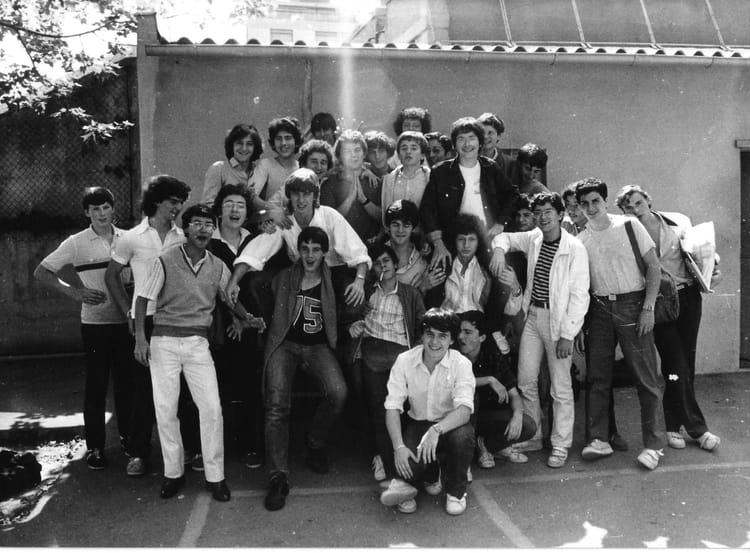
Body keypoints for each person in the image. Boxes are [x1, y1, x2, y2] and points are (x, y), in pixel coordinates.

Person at [134, 204, 260, 502]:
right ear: (186, 228)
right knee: (166, 410)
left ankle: (215, 477)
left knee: (212, 408)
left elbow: (229, 297)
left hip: (197, 343)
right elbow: (142, 299)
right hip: (164, 341)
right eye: (197, 224)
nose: (203, 230)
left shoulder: (217, 265)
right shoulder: (165, 260)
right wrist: (140, 338)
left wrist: (247, 317)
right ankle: (173, 473)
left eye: (208, 225)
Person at [105, 175, 200, 477]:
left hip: (174, 318)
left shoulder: (182, 237)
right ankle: (139, 453)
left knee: (181, 388)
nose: (177, 207)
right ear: (157, 201)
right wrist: (128, 313)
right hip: (144, 319)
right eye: (173, 201)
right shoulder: (132, 238)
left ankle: (188, 449)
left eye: (181, 203)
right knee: (143, 390)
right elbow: (111, 276)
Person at [615, 185, 721, 452]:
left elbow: (697, 249)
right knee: (676, 365)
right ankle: (698, 429)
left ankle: (673, 425)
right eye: (628, 207)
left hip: (688, 297)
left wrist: (713, 267)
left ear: (648, 200)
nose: (635, 210)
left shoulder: (677, 220)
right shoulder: (627, 234)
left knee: (686, 364)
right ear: (623, 211)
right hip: (659, 302)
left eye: (638, 203)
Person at [34, 186, 133, 471]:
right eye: (95, 209)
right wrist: (75, 292)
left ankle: (129, 440)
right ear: (87, 213)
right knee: (96, 386)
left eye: (106, 207)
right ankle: (96, 448)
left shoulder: (129, 238)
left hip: (126, 322)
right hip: (95, 324)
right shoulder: (76, 243)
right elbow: (42, 272)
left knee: (127, 385)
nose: (102, 214)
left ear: (113, 208)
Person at [489, 192, 590, 468]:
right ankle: (533, 435)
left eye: (548, 212)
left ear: (560, 214)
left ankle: (560, 444)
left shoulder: (574, 248)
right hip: (533, 316)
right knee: (525, 379)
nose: (543, 218)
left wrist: (568, 334)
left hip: (558, 323)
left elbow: (580, 295)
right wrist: (498, 251)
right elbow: (505, 238)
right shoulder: (534, 237)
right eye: (538, 213)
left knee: (560, 386)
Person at [574, 177, 667, 470]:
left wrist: (648, 308)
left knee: (646, 378)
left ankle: (654, 445)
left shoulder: (629, 225)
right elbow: (582, 287)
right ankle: (598, 439)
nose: (591, 208)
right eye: (584, 203)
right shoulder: (581, 240)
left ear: (605, 201)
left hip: (633, 305)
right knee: (598, 377)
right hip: (599, 309)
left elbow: (653, 267)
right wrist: (580, 325)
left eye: (595, 201)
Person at [257, 226, 348, 511]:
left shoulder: (333, 280)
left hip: (317, 346)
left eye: (316, 250)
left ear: (325, 253)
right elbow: (264, 301)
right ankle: (278, 476)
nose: (310, 255)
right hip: (284, 344)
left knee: (338, 393)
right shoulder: (284, 277)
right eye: (305, 249)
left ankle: (315, 442)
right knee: (276, 405)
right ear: (298, 251)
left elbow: (347, 310)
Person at [226, 168, 370, 324]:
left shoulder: (330, 216)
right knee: (256, 282)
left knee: (354, 302)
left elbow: (358, 253)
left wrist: (359, 281)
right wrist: (233, 282)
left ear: (315, 195)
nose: (301, 200)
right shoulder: (285, 220)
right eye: (296, 194)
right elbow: (255, 252)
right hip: (300, 276)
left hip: (332, 274)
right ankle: (274, 327)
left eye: (306, 194)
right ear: (289, 195)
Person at [380, 308, 475, 516]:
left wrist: (436, 430)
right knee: (407, 467)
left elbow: (464, 411)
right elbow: (392, 406)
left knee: (463, 437)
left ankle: (456, 492)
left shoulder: (461, 363)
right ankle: (429, 474)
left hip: (451, 425)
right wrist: (399, 447)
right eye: (429, 334)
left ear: (452, 340)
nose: (434, 342)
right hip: (419, 424)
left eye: (442, 336)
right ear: (422, 336)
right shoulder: (404, 360)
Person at [348, 243, 425, 483]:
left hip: (402, 355)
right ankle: (384, 459)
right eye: (378, 263)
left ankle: (401, 460)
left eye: (386, 261)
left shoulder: (410, 293)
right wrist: (353, 326)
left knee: (403, 410)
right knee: (380, 411)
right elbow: (348, 319)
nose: (383, 266)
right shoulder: (368, 293)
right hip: (373, 352)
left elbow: (422, 326)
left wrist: (417, 354)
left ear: (395, 264)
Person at [207, 185, 265, 469]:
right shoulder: (209, 241)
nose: (234, 209)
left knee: (249, 385)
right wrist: (234, 316)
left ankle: (250, 445)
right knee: (217, 387)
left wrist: (245, 318)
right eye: (229, 203)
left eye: (240, 205)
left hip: (250, 324)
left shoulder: (256, 240)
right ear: (219, 210)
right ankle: (217, 448)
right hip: (218, 325)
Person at [419, 117, 518, 272]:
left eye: (472, 138)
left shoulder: (490, 168)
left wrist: (501, 223)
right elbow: (427, 209)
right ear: (454, 144)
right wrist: (438, 244)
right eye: (461, 139)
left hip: (486, 238)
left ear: (480, 142)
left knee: (500, 278)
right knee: (438, 278)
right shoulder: (441, 172)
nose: (467, 144)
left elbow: (512, 195)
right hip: (452, 241)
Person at [457, 311, 536, 467]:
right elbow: (455, 383)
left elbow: (514, 394)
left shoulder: (493, 356)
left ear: (482, 337)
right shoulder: (454, 355)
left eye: (467, 332)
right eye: (460, 331)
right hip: (463, 418)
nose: (461, 337)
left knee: (528, 426)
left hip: (487, 417)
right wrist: (489, 380)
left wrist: (517, 415)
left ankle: (486, 446)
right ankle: (475, 453)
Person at [320, 129, 382, 244]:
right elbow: (328, 222)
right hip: (341, 247)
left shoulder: (375, 181)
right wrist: (349, 199)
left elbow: (384, 219)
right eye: (347, 151)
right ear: (339, 156)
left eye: (357, 150)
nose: (353, 155)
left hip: (372, 247)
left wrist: (364, 200)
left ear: (364, 153)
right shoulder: (329, 184)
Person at [383, 199, 445, 293]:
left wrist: (423, 288)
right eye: (395, 225)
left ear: (413, 228)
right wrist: (420, 288)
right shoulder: (378, 254)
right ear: (388, 227)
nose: (400, 230)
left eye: (406, 225)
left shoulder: (422, 260)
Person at [200, 124, 263, 207]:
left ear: (255, 147)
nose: (244, 148)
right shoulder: (219, 169)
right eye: (239, 143)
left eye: (249, 144)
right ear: (231, 145)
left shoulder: (260, 171)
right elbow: (208, 205)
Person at [251, 117, 301, 205]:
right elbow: (251, 195)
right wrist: (270, 208)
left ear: (296, 141)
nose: (283, 143)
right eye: (279, 139)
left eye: (288, 138)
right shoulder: (266, 165)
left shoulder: (301, 168)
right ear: (273, 142)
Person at [381, 131, 431, 218]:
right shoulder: (389, 180)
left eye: (414, 148)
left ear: (422, 155)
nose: (408, 152)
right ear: (399, 155)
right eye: (404, 148)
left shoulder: (430, 178)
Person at [477, 112, 513, 178]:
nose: (485, 136)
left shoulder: (509, 165)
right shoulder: (467, 160)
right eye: (482, 132)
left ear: (499, 136)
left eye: (490, 133)